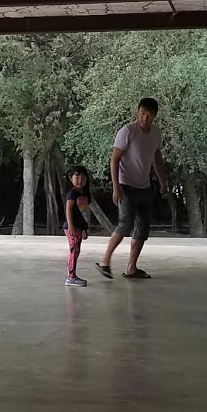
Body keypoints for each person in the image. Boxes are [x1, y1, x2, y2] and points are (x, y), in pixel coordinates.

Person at [97, 96, 170, 280]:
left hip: (144, 186)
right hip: (126, 185)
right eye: (142, 113)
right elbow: (114, 159)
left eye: (149, 114)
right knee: (125, 224)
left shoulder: (156, 133)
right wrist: (116, 186)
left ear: (154, 116)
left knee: (143, 227)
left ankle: (131, 267)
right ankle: (105, 261)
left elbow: (157, 159)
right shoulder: (128, 131)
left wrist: (163, 183)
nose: (144, 117)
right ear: (138, 112)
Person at [64, 165, 93, 287]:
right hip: (72, 227)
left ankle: (71, 274)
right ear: (71, 178)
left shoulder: (85, 194)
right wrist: (71, 225)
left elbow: (85, 213)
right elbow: (69, 209)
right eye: (77, 177)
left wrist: (85, 229)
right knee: (74, 250)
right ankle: (71, 277)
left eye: (83, 177)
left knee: (76, 250)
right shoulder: (72, 194)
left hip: (79, 227)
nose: (80, 180)